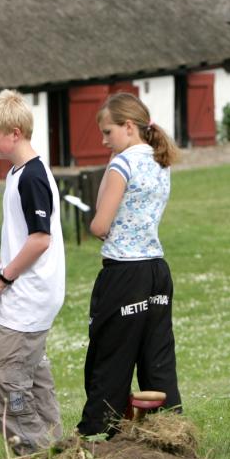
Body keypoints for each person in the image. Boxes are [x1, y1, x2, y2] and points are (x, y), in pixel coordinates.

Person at [77, 93, 181, 438]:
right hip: (156, 271)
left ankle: (98, 433)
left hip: (123, 272)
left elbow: (100, 225)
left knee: (110, 358)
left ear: (128, 126)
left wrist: (96, 221)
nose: (104, 141)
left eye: (108, 132)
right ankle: (169, 431)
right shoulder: (160, 161)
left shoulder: (123, 164)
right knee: (158, 360)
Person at [0, 90, 64, 455]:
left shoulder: (32, 177)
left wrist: (4, 278)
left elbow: (40, 239)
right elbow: (21, 236)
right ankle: (59, 452)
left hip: (30, 296)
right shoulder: (18, 174)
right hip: (25, 292)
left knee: (2, 376)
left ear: (14, 133)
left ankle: (36, 457)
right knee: (34, 376)